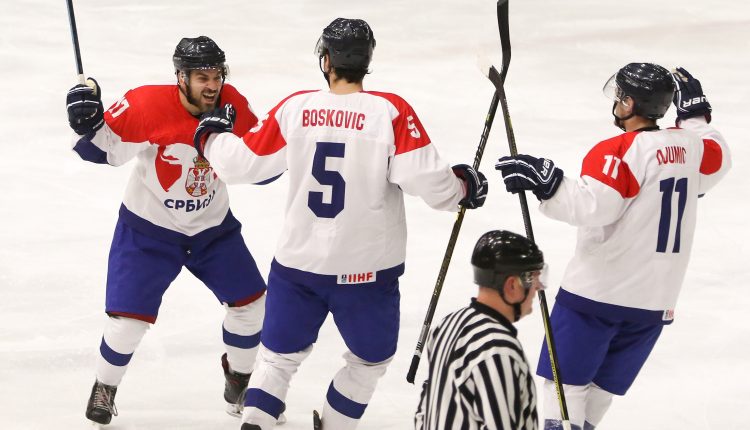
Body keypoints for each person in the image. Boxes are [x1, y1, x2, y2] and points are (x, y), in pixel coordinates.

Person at [193, 17, 488, 430]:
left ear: (326, 61)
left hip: (298, 265)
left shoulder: (296, 108)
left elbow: (242, 165)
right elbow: (431, 184)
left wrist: (212, 138)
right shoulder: (390, 112)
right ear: (367, 60)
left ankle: (256, 421)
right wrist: (463, 187)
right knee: (368, 361)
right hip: (367, 273)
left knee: (277, 359)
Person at [495, 64, 731, 429]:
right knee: (600, 391)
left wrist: (548, 185)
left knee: (565, 388)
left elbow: (593, 207)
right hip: (654, 303)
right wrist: (695, 117)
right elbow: (719, 156)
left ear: (630, 103)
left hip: (598, 296)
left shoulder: (619, 150)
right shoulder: (692, 146)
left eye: (620, 95)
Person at [65, 36, 268, 425]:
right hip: (149, 231)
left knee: (252, 307)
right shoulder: (146, 105)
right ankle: (105, 387)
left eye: (217, 76)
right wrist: (86, 123)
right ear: (181, 77)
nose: (212, 85)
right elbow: (101, 150)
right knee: (127, 324)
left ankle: (239, 381)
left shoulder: (232, 105)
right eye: (202, 77)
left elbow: (259, 163)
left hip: (213, 231)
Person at [414, 230, 544, 430]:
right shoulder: (498, 350)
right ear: (511, 285)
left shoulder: (447, 325)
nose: (538, 287)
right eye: (532, 278)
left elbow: (424, 413)